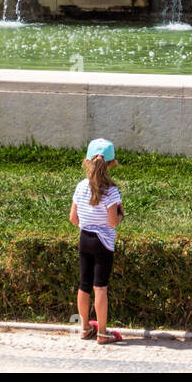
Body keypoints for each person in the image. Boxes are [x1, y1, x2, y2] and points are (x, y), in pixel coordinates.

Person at [69, 138, 124, 344]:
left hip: (85, 239)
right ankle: (102, 332)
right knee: (100, 287)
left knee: (84, 286)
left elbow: (73, 218)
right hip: (103, 243)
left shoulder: (81, 186)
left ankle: (84, 328)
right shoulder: (111, 190)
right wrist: (121, 215)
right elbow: (112, 221)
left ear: (86, 162)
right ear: (111, 163)